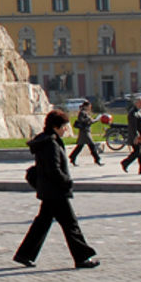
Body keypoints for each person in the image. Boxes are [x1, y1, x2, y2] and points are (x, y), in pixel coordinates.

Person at [14, 109, 99, 269]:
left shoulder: (47, 141)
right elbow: (53, 169)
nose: (66, 129)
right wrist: (66, 182)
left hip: (49, 190)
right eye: (64, 126)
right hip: (55, 191)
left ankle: (24, 254)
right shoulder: (50, 144)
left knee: (42, 223)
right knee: (71, 224)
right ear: (55, 127)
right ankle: (82, 258)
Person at [69, 102, 103, 167]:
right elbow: (81, 120)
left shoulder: (85, 112)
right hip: (84, 132)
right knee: (92, 145)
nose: (90, 108)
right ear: (86, 106)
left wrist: (95, 119)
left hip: (85, 131)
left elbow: (90, 121)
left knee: (80, 146)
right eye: (89, 106)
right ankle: (97, 159)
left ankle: (72, 157)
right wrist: (89, 119)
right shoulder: (82, 113)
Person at [119, 96, 141, 174]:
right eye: (140, 103)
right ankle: (125, 162)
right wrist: (136, 137)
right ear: (136, 103)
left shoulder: (138, 112)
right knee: (138, 152)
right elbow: (133, 127)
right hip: (136, 137)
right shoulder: (133, 113)